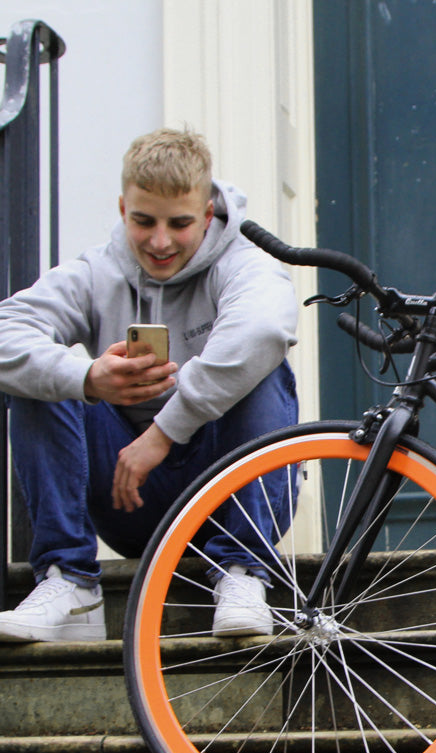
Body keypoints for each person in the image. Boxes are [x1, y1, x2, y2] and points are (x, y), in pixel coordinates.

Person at [0, 127, 300, 642]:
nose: (160, 242)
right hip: (130, 500)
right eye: (144, 221)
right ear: (122, 209)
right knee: (41, 379)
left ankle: (244, 572)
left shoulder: (243, 263)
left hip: (224, 493)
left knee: (265, 367)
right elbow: (8, 331)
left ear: (207, 215)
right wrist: (88, 377)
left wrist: (162, 433)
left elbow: (265, 328)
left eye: (179, 223)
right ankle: (71, 585)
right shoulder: (96, 271)